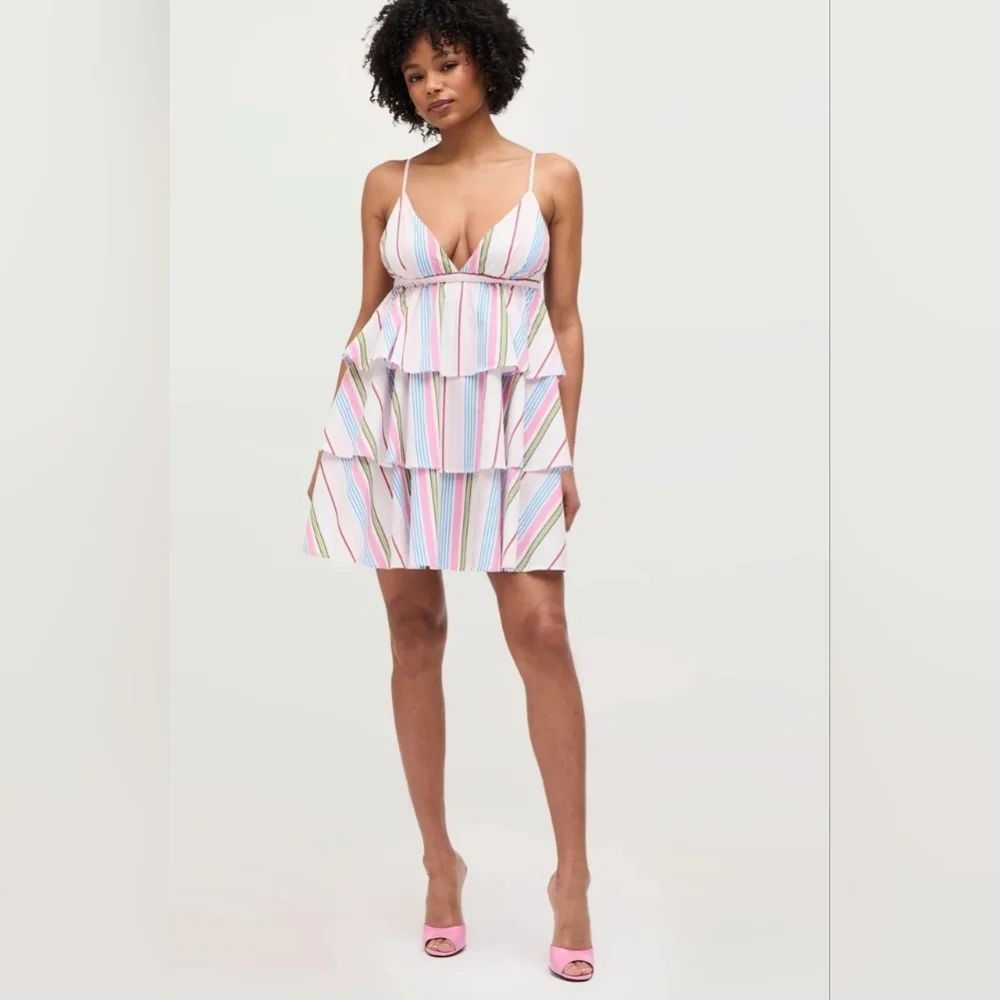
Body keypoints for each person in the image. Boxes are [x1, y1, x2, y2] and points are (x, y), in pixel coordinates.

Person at [304, 0, 592, 982]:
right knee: (414, 629)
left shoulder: (552, 176)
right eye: (415, 72)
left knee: (541, 630)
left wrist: (562, 451)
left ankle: (572, 877)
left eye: (448, 62)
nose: (432, 84)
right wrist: (333, 446)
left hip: (512, 431)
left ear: (488, 61)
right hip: (394, 426)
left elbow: (564, 321)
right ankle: (439, 862)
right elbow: (368, 316)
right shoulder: (386, 185)